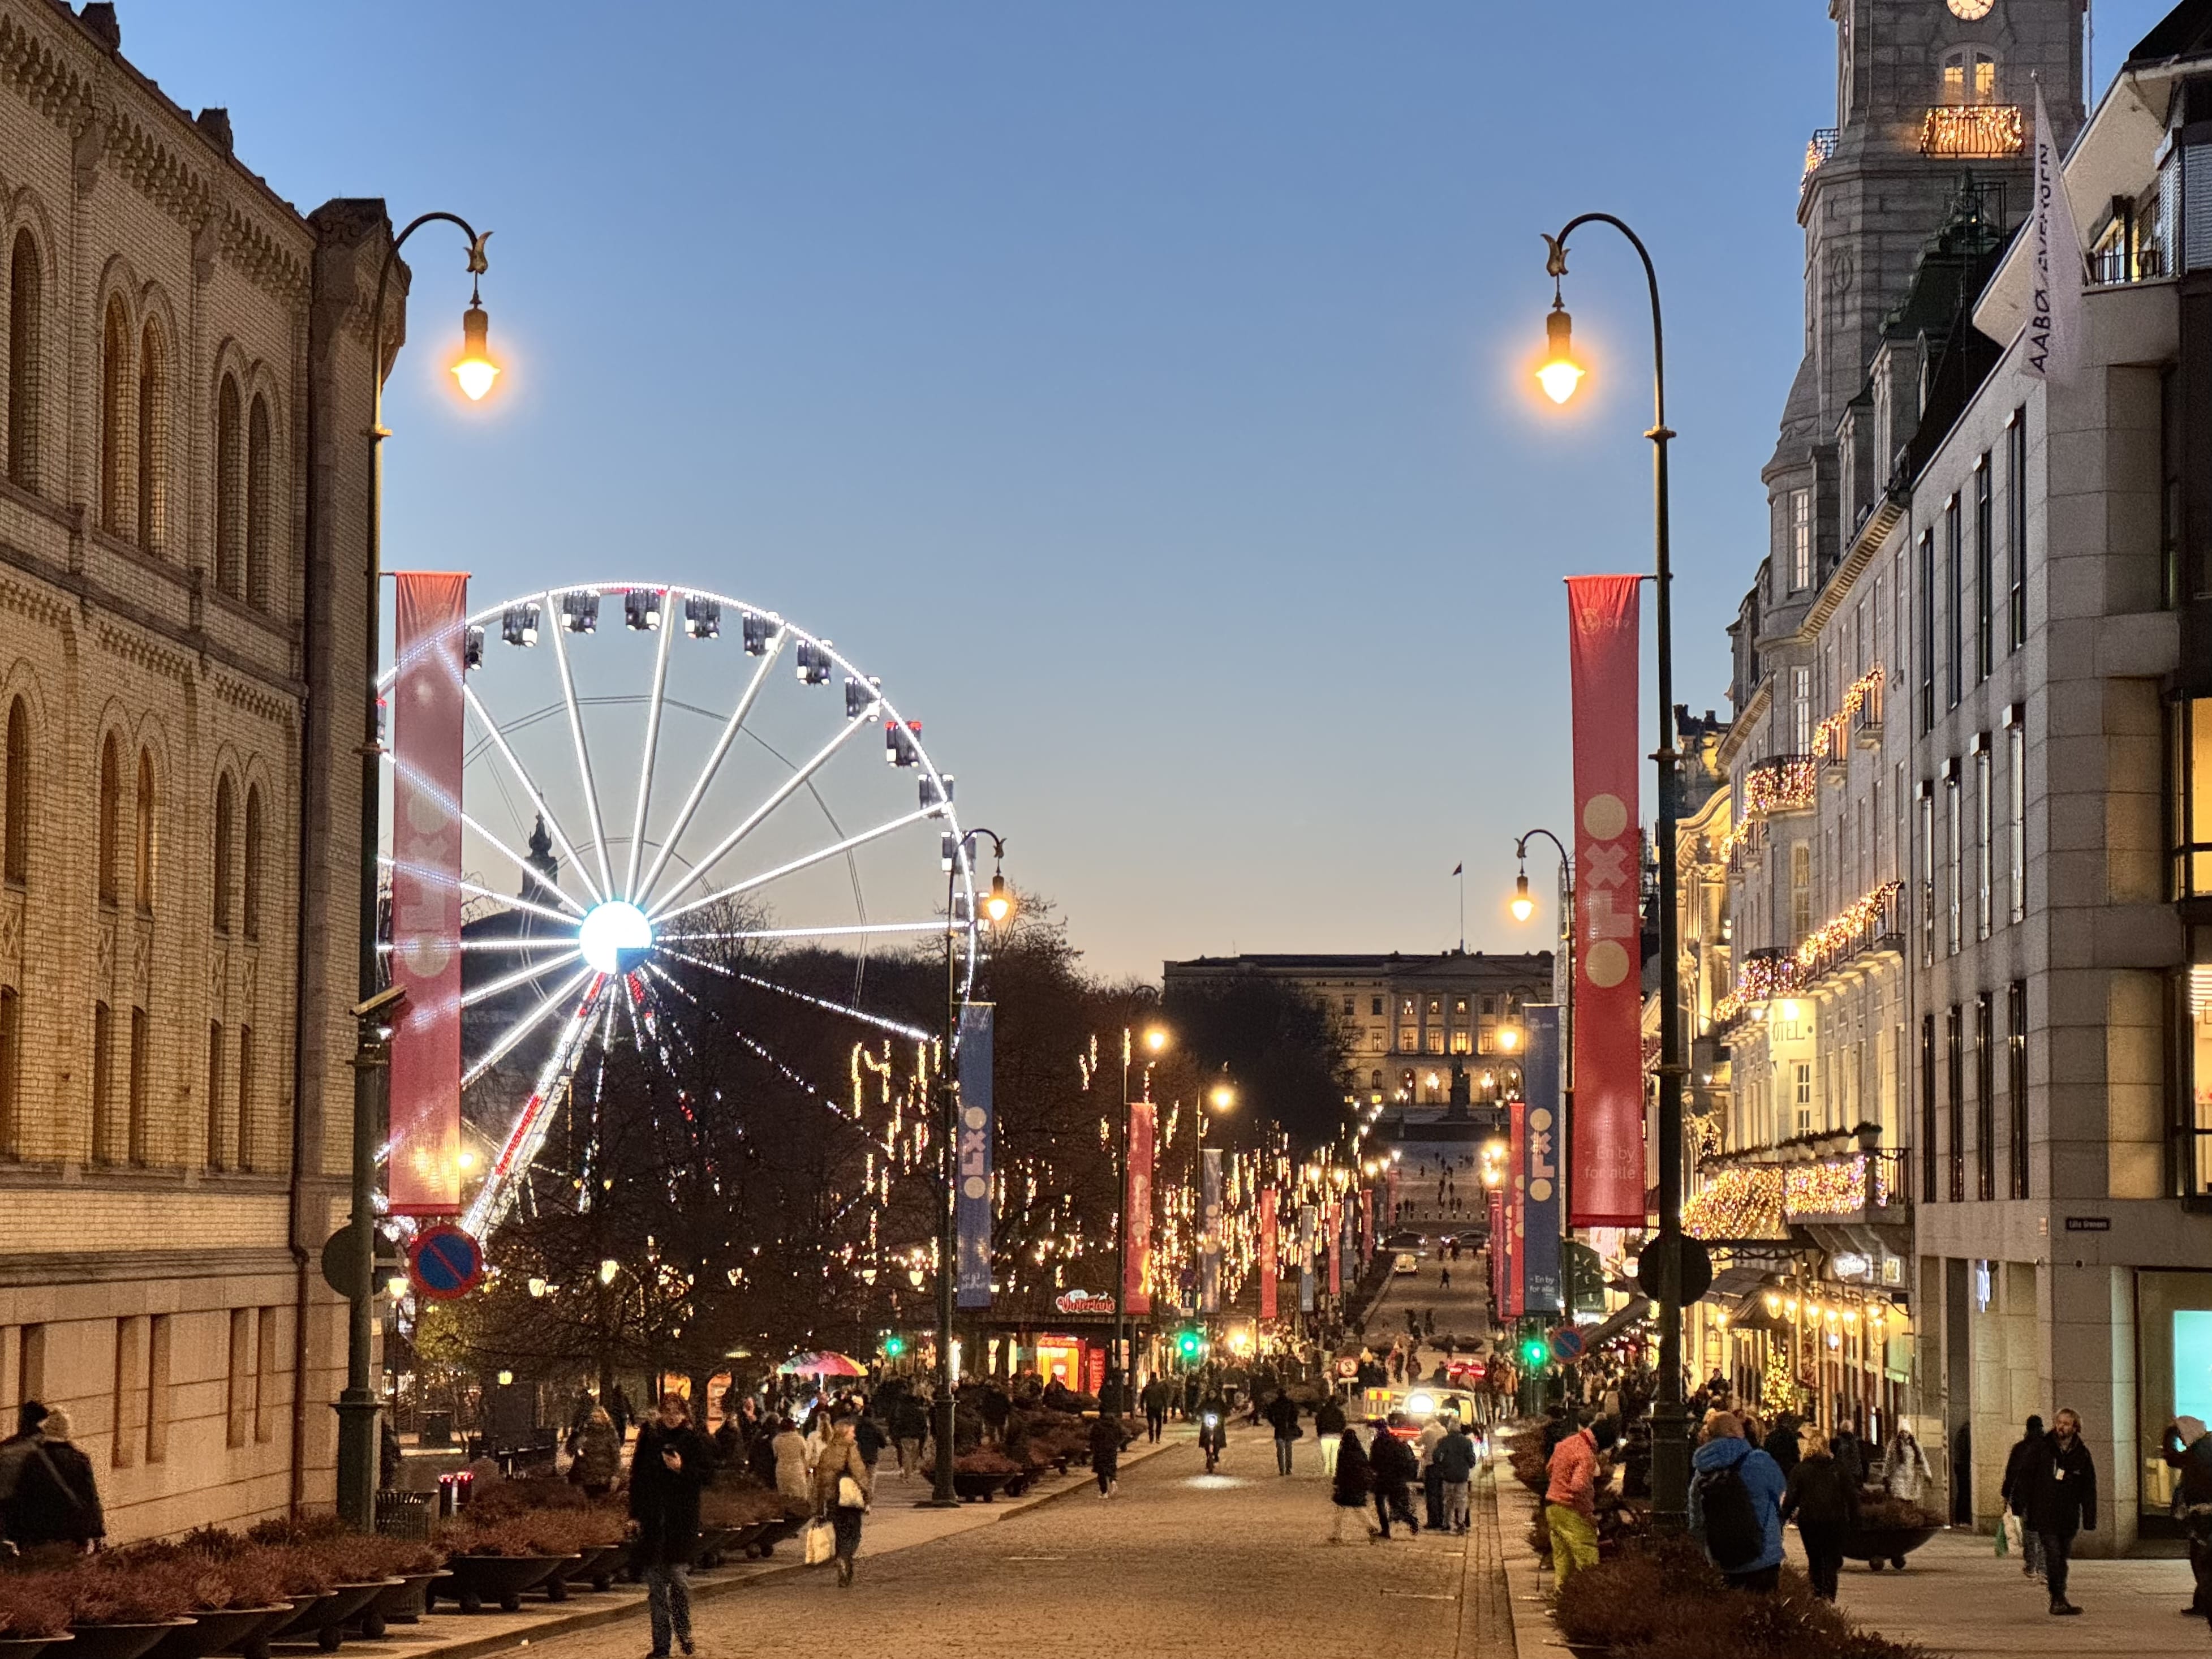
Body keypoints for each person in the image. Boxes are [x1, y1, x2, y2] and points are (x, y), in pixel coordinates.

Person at [627, 1393, 710, 1659]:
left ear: (685, 1414)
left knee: (678, 1582)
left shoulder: (693, 1440)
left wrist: (682, 1468)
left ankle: (684, 1631)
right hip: (653, 1522)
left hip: (680, 1523)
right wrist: (634, 1514)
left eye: (677, 1411)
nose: (672, 1416)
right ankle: (661, 1646)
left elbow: (707, 1476)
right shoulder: (650, 1438)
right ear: (661, 1413)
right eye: (668, 1411)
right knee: (656, 1590)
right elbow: (637, 1478)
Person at [1687, 1409, 1787, 1591]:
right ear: (1734, 1431)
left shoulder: (1701, 1474)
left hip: (1725, 1561)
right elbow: (1782, 1498)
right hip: (1764, 1556)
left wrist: (1709, 1555)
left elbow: (1697, 1524)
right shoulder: (1760, 1461)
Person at [2023, 1407, 2095, 1617]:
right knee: (2053, 1555)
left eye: (2066, 1423)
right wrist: (2023, 1506)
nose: (2061, 1427)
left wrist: (2090, 1517)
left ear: (2075, 1427)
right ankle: (2057, 1598)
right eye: (2059, 1422)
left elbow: (2089, 1487)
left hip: (2068, 1515)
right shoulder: (2042, 1448)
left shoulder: (2081, 1453)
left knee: (2061, 1557)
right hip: (2045, 1512)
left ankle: (2060, 1596)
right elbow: (2027, 1477)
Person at [2, 1407, 101, 1552]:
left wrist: (14, 1535)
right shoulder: (79, 1460)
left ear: (46, 1430)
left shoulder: (32, 1461)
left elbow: (21, 1499)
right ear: (67, 1431)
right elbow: (91, 1499)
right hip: (71, 1537)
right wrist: (97, 1536)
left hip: (37, 1537)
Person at [1780, 1424, 1858, 1602]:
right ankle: (1829, 1596)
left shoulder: (1801, 1470)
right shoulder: (1838, 1469)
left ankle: (1816, 1593)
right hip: (1835, 1520)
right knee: (1832, 1559)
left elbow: (1792, 1498)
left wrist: (1782, 1518)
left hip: (1810, 1521)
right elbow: (1852, 1497)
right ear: (1827, 1447)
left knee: (1815, 1559)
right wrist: (1855, 1521)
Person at [811, 1404, 872, 1588]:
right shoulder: (850, 1449)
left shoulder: (828, 1451)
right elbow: (859, 1474)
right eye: (852, 1432)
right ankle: (845, 1558)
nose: (854, 1435)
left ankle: (841, 1559)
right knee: (854, 1534)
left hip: (833, 1500)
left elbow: (819, 1480)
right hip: (850, 1500)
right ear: (845, 1434)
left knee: (839, 1532)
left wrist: (818, 1506)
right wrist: (867, 1498)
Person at [1545, 1412, 1604, 1591]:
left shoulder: (1565, 1444)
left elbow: (1549, 1469)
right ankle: (1588, 1602)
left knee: (1563, 1560)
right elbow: (1579, 1486)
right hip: (1572, 1511)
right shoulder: (1586, 1455)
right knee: (1587, 1558)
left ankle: (1561, 1603)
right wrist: (1587, 1513)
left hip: (1554, 1508)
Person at [2164, 1415, 2212, 1617]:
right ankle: (2202, 1602)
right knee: (2203, 1559)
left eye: (2181, 1435)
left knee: (2201, 1560)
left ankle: (2205, 1603)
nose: (2182, 1441)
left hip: (2203, 1512)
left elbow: (2173, 1459)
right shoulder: (2203, 1447)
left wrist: (2168, 1436)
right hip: (2203, 1511)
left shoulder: (2201, 1451)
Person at [2000, 1415, 2047, 1583]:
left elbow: (2011, 1473)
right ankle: (2044, 1569)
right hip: (2046, 1495)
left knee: (2030, 1532)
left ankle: (2031, 1565)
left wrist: (2006, 1495)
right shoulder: (2050, 1447)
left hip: (2026, 1496)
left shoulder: (2020, 1448)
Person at [1369, 1417, 1419, 1539]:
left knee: (1380, 1503)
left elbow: (1373, 1461)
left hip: (1383, 1478)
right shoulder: (1395, 1441)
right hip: (1397, 1478)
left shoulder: (1378, 1443)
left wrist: (1374, 1471)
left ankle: (1385, 1530)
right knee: (1395, 1504)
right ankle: (1412, 1521)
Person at [1435, 1416, 1480, 1536]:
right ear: (1459, 1427)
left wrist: (1441, 1468)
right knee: (1461, 1500)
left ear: (1449, 1427)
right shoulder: (1466, 1442)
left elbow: (1436, 1456)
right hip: (1462, 1476)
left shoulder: (1443, 1441)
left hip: (1448, 1475)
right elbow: (1471, 1459)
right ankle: (1460, 1522)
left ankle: (1447, 1523)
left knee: (1448, 1500)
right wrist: (1468, 1466)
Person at [1330, 1427, 1373, 1543]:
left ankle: (1337, 1533)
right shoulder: (1360, 1451)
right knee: (1358, 1508)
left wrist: (1337, 1482)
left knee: (1340, 1509)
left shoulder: (1344, 1451)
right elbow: (1366, 1467)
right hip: (1358, 1484)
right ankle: (1371, 1527)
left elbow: (1341, 1469)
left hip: (1346, 1485)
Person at [572, 1406, 623, 1498]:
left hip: (604, 1474)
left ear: (603, 1418)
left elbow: (616, 1454)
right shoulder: (586, 1432)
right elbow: (578, 1452)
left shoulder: (610, 1432)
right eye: (592, 1417)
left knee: (602, 1500)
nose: (594, 1419)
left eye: (597, 1417)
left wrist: (616, 1474)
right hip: (588, 1474)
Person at [1884, 1420, 1933, 1503]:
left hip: (1912, 1478)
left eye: (1906, 1432)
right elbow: (1888, 1461)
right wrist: (1885, 1475)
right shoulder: (1894, 1446)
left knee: (1910, 1502)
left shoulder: (1916, 1446)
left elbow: (1923, 1460)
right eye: (1902, 1433)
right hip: (1899, 1478)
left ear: (1910, 1433)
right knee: (1900, 1500)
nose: (1904, 1435)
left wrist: (1928, 1475)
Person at [771, 1417, 812, 1516]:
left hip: (782, 1468)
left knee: (785, 1491)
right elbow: (806, 1455)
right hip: (797, 1469)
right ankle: (799, 1513)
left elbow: (775, 1454)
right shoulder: (799, 1439)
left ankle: (787, 1512)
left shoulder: (776, 1440)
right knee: (798, 1492)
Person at [1088, 1411, 1128, 1498]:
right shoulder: (1116, 1426)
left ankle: (1104, 1493)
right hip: (1112, 1450)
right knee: (1111, 1467)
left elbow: (1092, 1437)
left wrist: (1094, 1447)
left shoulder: (1097, 1426)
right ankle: (1113, 1480)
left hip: (1100, 1451)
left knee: (1101, 1472)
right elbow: (1123, 1435)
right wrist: (1116, 1444)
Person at [890, 1391, 928, 1478]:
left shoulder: (902, 1412)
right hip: (916, 1436)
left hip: (904, 1436)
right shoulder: (920, 1412)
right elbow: (923, 1424)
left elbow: (897, 1423)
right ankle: (910, 1471)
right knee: (914, 1455)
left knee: (906, 1454)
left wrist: (896, 1435)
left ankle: (908, 1471)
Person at [1266, 1387, 1302, 1477]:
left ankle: (1282, 1470)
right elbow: (1296, 1414)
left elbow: (1269, 1416)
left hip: (1279, 1429)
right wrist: (1293, 1423)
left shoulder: (1274, 1404)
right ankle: (1288, 1469)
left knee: (1280, 1451)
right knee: (1288, 1449)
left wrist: (1275, 1424)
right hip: (1288, 1429)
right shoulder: (1290, 1403)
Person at [1762, 1411, 1802, 1481]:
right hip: (1788, 1470)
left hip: (1774, 1470)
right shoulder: (1790, 1436)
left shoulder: (1771, 1437)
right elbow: (1795, 1455)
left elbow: (1767, 1453)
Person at [1315, 1392, 1347, 1478]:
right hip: (1336, 1436)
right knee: (1334, 1455)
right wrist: (1341, 1432)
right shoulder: (1339, 1412)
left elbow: (1318, 1422)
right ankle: (1333, 1473)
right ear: (1336, 1402)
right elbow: (1343, 1423)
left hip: (1325, 1436)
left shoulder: (1323, 1411)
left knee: (1326, 1456)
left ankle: (1326, 1471)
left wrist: (1319, 1433)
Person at [1141, 1375, 1170, 1444]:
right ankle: (1158, 1438)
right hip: (1158, 1408)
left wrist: (1142, 1408)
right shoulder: (1161, 1388)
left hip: (1150, 1408)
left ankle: (1152, 1438)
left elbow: (1142, 1399)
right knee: (1158, 1424)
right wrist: (1166, 1412)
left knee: (1151, 1424)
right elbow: (1164, 1400)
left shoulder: (1147, 1388)